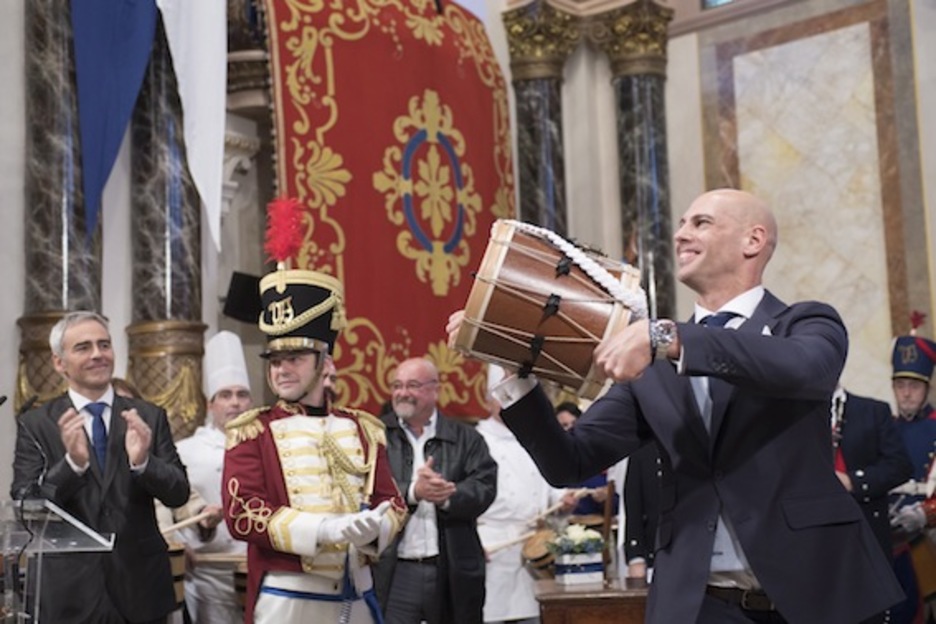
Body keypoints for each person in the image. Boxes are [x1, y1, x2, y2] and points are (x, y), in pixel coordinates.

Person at [448, 188, 903, 624]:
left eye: (701, 223)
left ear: (754, 240)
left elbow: (807, 369)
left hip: (814, 594)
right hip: (701, 603)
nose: (681, 234)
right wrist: (516, 377)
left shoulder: (803, 322)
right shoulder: (654, 363)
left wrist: (665, 336)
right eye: (681, 223)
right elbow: (571, 461)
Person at [221, 263, 407, 624]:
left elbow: (393, 501)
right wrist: (322, 530)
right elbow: (241, 512)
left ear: (325, 362)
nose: (282, 369)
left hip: (359, 597)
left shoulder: (363, 428)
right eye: (275, 360)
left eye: (294, 358)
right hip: (289, 601)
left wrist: (376, 530)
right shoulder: (252, 431)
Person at [11, 310, 190, 623]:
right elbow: (26, 506)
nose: (98, 354)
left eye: (104, 345)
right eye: (83, 347)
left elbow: (179, 493)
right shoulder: (36, 424)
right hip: (69, 593)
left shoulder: (148, 415)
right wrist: (72, 466)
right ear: (59, 362)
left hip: (140, 588)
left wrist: (143, 463)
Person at [373, 357, 497, 624]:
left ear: (435, 390)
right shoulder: (376, 436)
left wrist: (449, 496)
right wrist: (413, 492)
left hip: (452, 570)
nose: (402, 393)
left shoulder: (467, 438)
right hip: (395, 571)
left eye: (413, 385)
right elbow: (366, 490)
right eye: (397, 385)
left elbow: (485, 486)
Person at [167, 330, 253, 623]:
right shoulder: (185, 451)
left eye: (242, 395)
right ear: (210, 404)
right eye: (225, 395)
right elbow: (165, 507)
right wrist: (180, 544)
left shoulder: (267, 447)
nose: (235, 403)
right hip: (205, 573)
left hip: (255, 568)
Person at [476, 364, 569, 624]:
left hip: (535, 549)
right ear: (488, 399)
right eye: (501, 396)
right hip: (492, 548)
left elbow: (552, 483)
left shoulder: (533, 437)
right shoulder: (475, 441)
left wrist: (563, 500)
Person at [887, 326, 936, 624]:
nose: (906, 393)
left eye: (914, 386)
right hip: (888, 541)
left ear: (928, 388)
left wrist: (925, 514)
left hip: (928, 542)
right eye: (900, 384)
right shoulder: (882, 426)